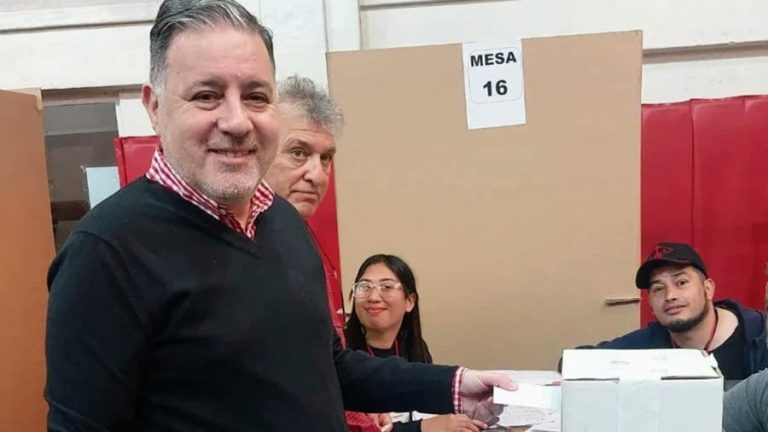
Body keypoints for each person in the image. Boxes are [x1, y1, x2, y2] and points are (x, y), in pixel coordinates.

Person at [44, 1, 514, 431]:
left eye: (255, 96)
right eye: (207, 95)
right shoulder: (107, 253)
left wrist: (452, 386)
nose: (237, 121)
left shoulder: (283, 222)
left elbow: (328, 369)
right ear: (155, 107)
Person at [265, 75, 386, 432]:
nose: (317, 175)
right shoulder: (243, 245)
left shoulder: (298, 239)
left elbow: (322, 366)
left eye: (326, 158)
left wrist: (360, 407)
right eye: (298, 153)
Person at [573, 242, 768, 380]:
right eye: (658, 288)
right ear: (650, 302)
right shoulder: (651, 339)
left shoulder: (759, 336)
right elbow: (575, 362)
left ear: (708, 289)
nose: (670, 296)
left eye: (681, 282)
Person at [346, 254, 488, 432]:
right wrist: (424, 428)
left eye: (387, 287)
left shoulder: (414, 347)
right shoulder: (339, 353)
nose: (373, 297)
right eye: (364, 287)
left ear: (410, 301)